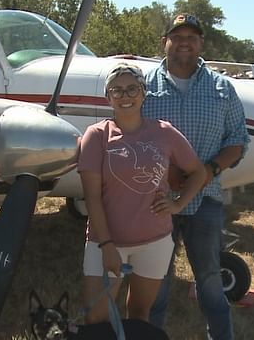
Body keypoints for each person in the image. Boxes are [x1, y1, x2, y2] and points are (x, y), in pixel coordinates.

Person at [141, 14, 250, 340]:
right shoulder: (144, 87)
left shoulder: (222, 88)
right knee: (155, 284)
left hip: (206, 201)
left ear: (201, 43)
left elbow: (238, 140)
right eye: (178, 36)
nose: (185, 42)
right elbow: (128, 135)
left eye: (192, 36)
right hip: (157, 202)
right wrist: (166, 171)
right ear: (165, 42)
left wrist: (209, 170)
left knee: (210, 284)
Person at [77, 63, 207, 324]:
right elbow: (92, 198)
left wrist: (178, 204)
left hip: (155, 242)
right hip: (106, 243)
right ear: (108, 97)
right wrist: (107, 246)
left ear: (144, 93)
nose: (125, 96)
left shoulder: (164, 132)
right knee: (96, 319)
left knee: (139, 314)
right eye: (117, 90)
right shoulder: (97, 136)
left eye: (132, 89)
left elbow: (198, 172)